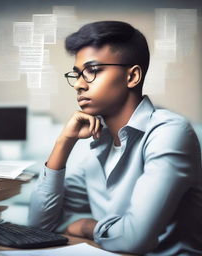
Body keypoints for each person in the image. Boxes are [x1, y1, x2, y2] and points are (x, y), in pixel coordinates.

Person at [28, 21, 202, 255]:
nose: (79, 85)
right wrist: (64, 142)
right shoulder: (93, 140)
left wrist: (87, 226)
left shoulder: (170, 132)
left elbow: (133, 240)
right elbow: (40, 227)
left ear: (132, 76)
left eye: (92, 71)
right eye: (78, 74)